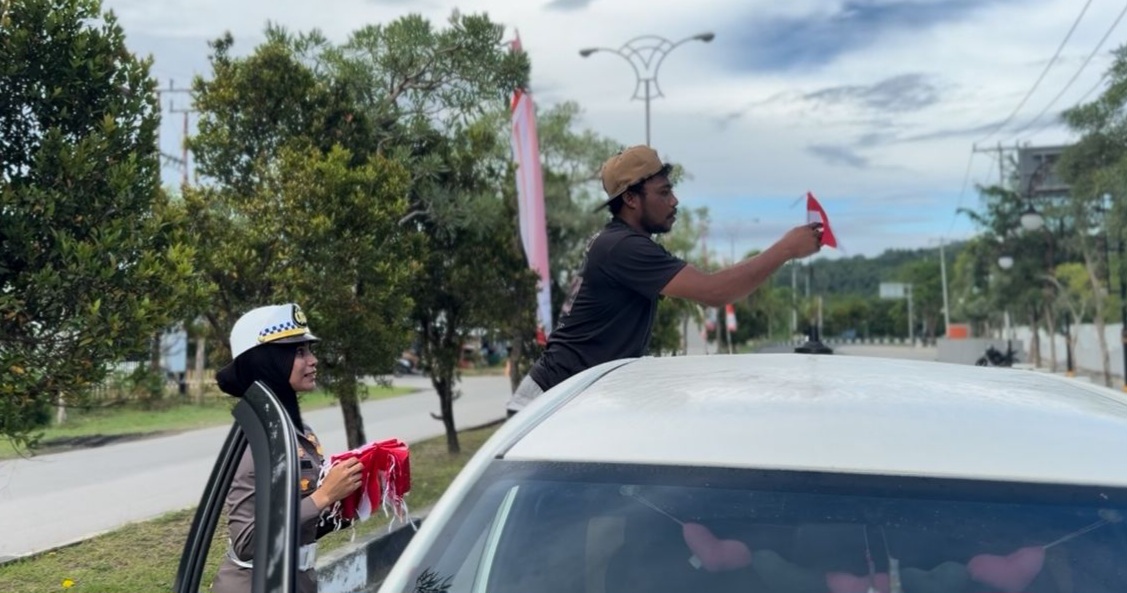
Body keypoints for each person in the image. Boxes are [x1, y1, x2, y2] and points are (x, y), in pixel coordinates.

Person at [505, 145, 824, 416]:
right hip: (547, 407)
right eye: (664, 192)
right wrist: (786, 249)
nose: (674, 201)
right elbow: (714, 291)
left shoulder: (620, 242)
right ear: (631, 199)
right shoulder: (623, 247)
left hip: (569, 401)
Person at [211, 303, 364, 593]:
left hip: (296, 581)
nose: (313, 360)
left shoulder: (297, 432)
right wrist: (324, 496)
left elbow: (302, 526)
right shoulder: (254, 439)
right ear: (267, 361)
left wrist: (349, 502)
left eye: (309, 350)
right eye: (299, 352)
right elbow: (246, 543)